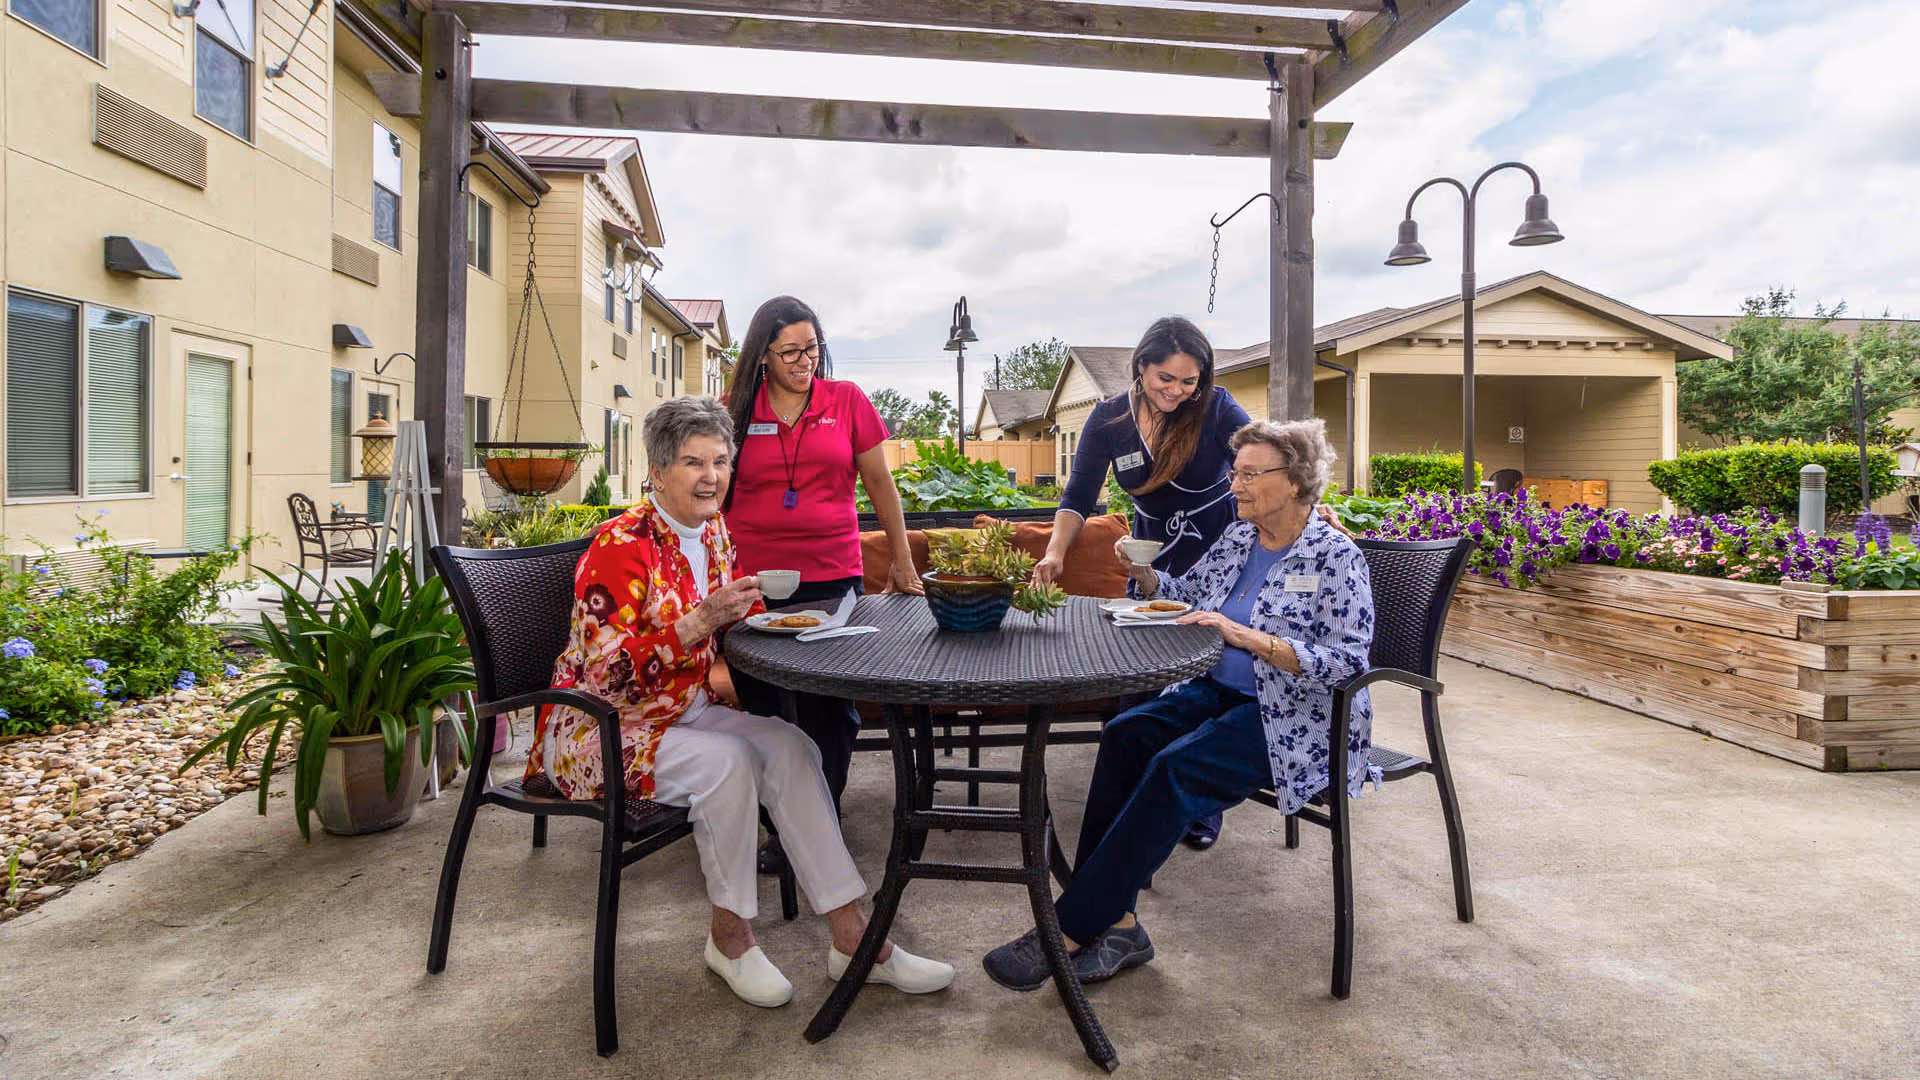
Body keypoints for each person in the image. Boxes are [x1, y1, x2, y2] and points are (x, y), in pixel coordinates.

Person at [527, 397, 953, 1008]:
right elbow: (605, 678)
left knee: (791, 745)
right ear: (657, 471)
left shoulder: (714, 531)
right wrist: (699, 622)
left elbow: (736, 619)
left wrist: (791, 622)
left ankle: (854, 937)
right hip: (597, 730)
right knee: (727, 765)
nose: (711, 477)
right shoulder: (621, 546)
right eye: (693, 462)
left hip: (683, 710)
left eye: (721, 462)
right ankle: (730, 941)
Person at [983, 418, 1375, 991]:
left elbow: (1349, 663)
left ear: (1294, 482)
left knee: (1175, 769)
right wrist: (1142, 573)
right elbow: (1187, 595)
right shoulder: (1242, 537)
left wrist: (1250, 639)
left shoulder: (1335, 557)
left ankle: (1064, 930)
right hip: (1219, 692)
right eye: (1234, 473)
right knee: (1126, 733)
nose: (1234, 486)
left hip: (1295, 717)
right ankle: (1117, 921)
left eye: (1249, 475)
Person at [1037, 315, 1251, 851]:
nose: (1178, 392)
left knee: (1211, 676)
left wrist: (1311, 506)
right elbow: (1078, 498)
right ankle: (1138, 792)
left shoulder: (1217, 407)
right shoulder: (1109, 420)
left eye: (1188, 381)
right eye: (1166, 380)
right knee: (1143, 677)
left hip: (1220, 556)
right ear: (1140, 369)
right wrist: (1055, 552)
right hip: (1152, 561)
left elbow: (1265, 454)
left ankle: (1200, 801)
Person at [722, 297, 921, 827]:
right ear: (762, 354)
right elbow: (710, 489)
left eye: (812, 348)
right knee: (766, 711)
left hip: (833, 576)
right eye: (790, 351)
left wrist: (901, 559)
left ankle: (819, 820)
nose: (804, 361)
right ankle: (777, 825)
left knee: (829, 712)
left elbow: (881, 483)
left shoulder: (847, 399)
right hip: (752, 583)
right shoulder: (734, 409)